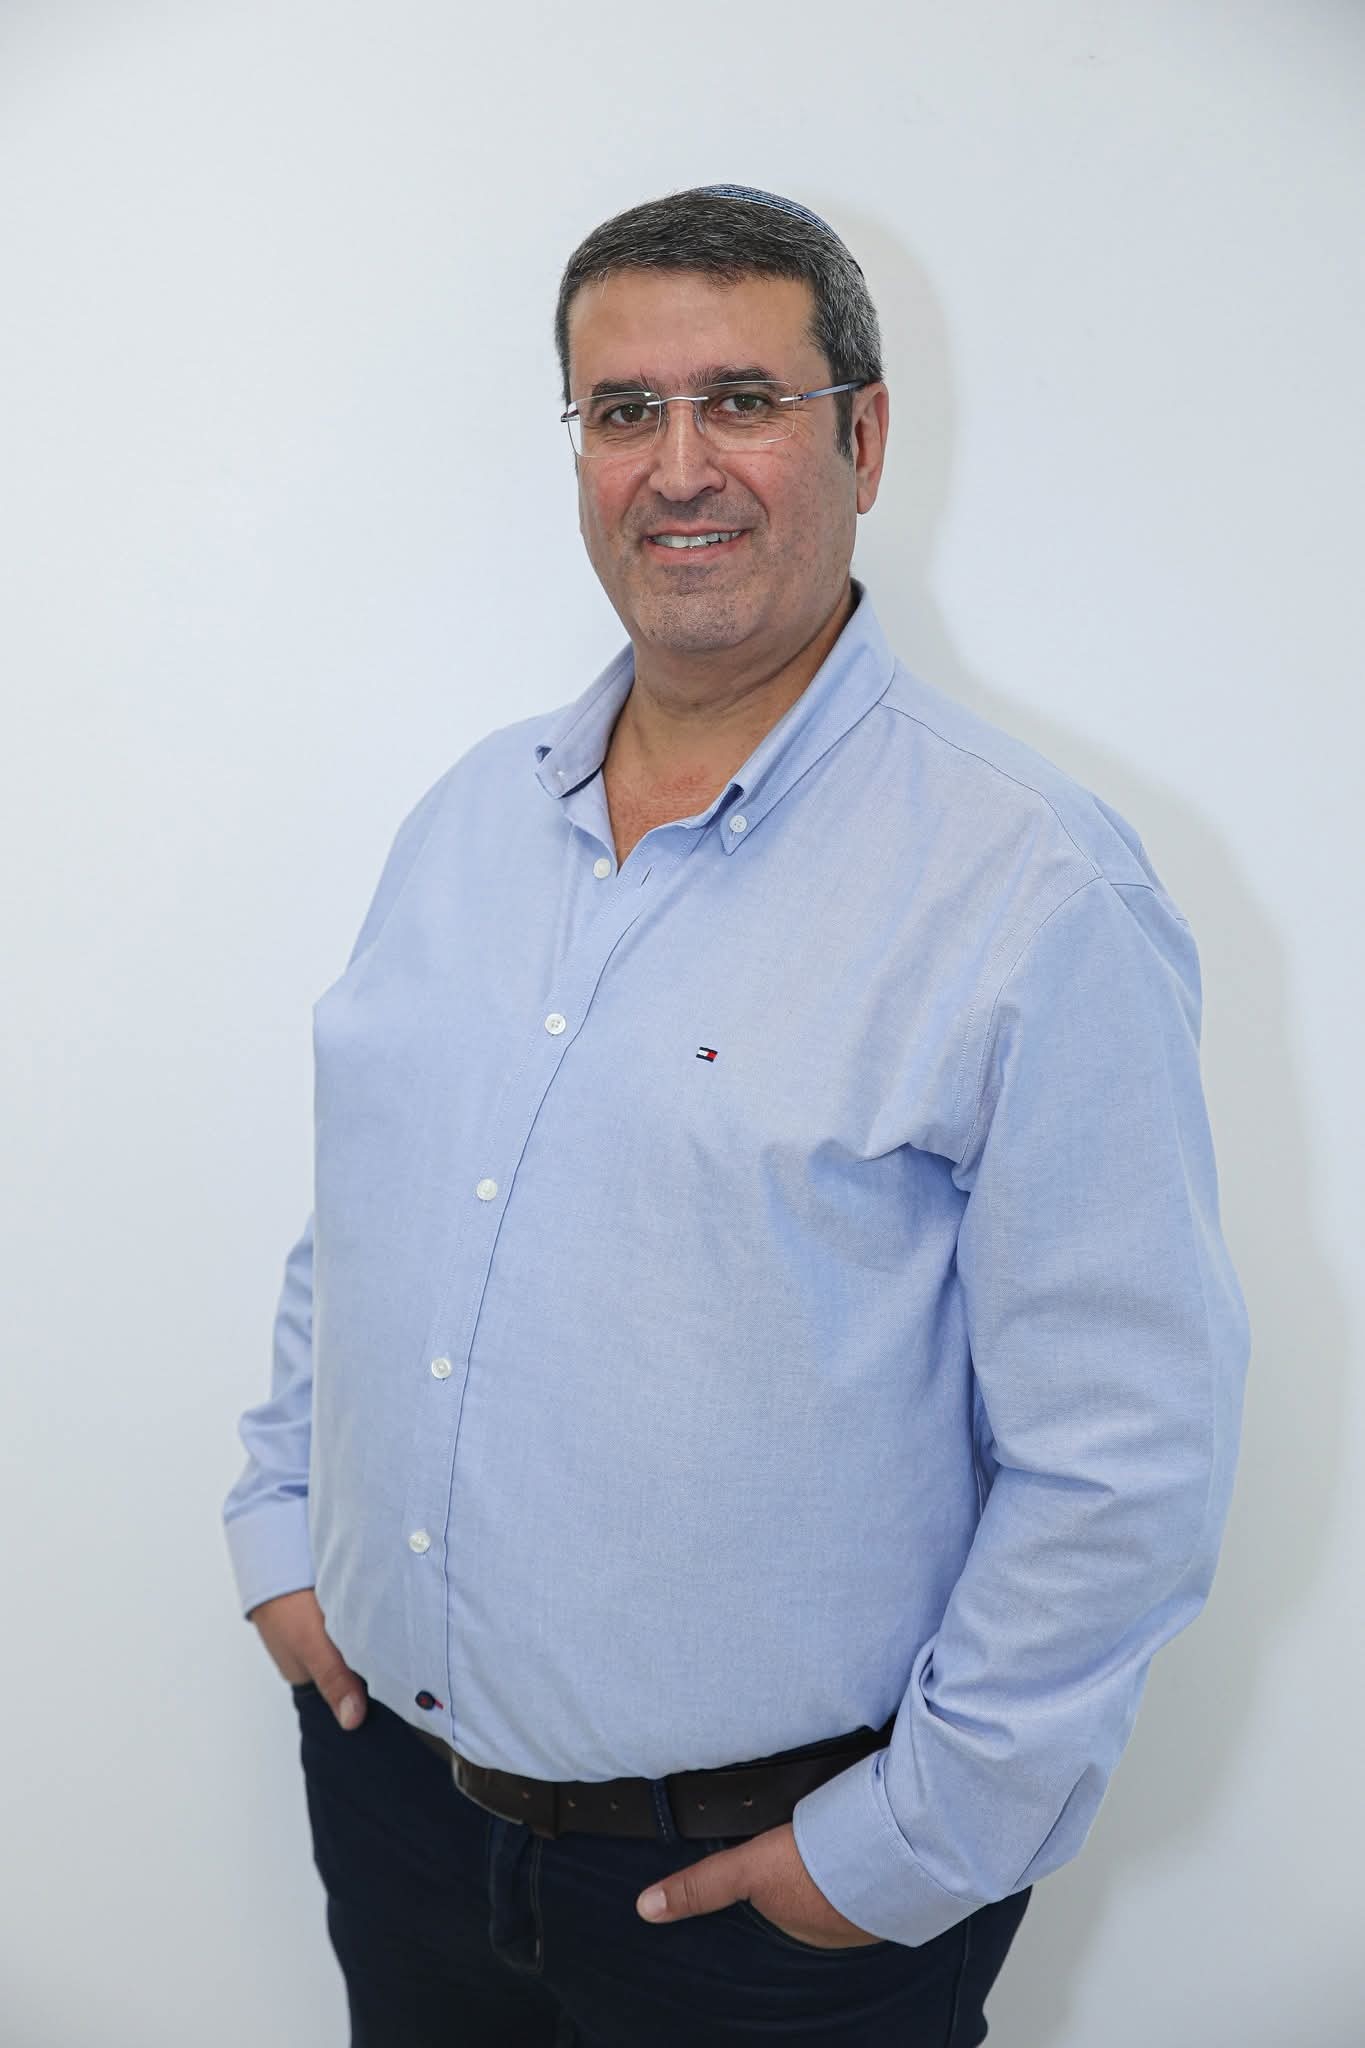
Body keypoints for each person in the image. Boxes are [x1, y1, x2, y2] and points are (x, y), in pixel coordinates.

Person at [222, 184, 1250, 2047]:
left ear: (863, 436)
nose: (677, 466)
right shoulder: (467, 820)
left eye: (742, 401)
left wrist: (910, 1845)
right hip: (399, 1814)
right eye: (623, 410)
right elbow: (369, 1219)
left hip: (766, 1906)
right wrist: (280, 1525)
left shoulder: (1029, 886)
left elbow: (1126, 1445)